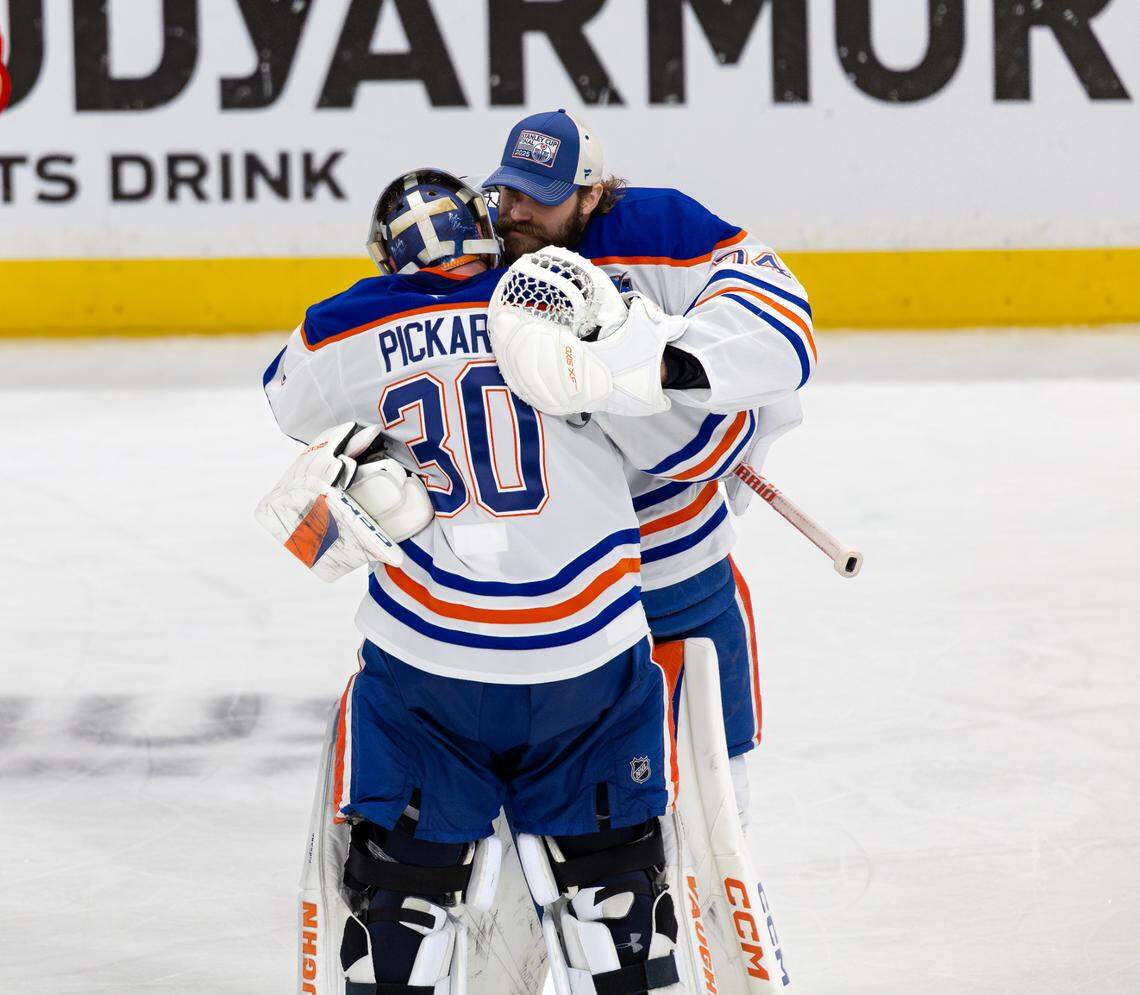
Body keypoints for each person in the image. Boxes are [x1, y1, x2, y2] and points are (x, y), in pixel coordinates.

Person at [256, 169, 706, 995]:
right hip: (588, 655)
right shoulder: (570, 301)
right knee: (614, 898)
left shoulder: (350, 320)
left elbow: (285, 399)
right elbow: (680, 433)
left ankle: (404, 926)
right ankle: (618, 923)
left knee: (404, 901)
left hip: (432, 663)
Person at [482, 109, 815, 825]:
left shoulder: (657, 228)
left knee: (715, 786)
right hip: (553, 576)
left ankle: (719, 897)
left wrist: (662, 362)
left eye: (538, 195)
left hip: (674, 552)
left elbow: (782, 315)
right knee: (561, 793)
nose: (515, 212)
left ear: (592, 194)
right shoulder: (480, 250)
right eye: (508, 191)